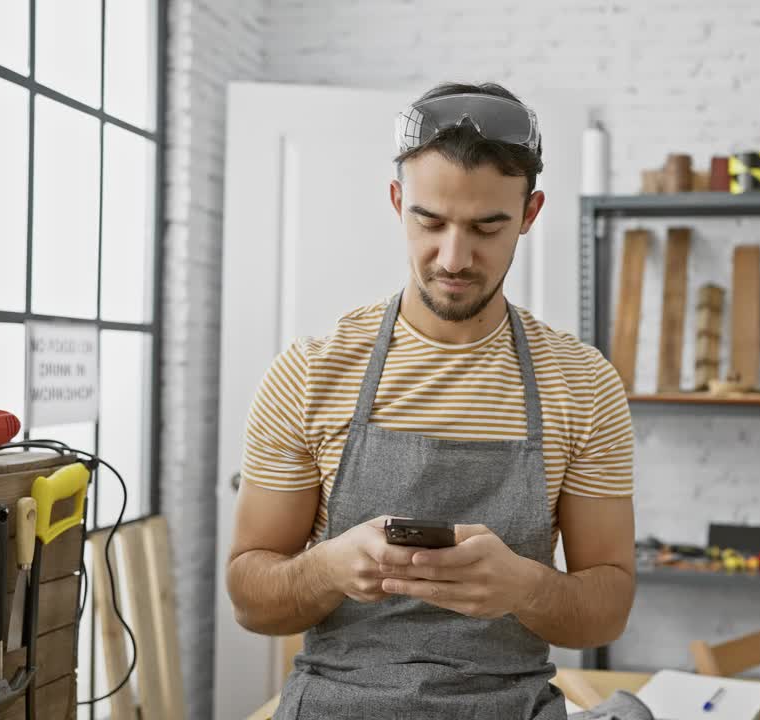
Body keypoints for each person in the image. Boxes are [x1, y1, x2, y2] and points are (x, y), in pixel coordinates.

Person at [226, 81, 637, 719]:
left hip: (508, 705)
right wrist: (329, 569)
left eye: (486, 227)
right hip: (338, 703)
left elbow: (606, 610)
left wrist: (523, 586)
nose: (453, 257)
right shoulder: (311, 373)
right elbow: (251, 600)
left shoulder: (582, 384)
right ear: (397, 202)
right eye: (430, 221)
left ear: (529, 216)